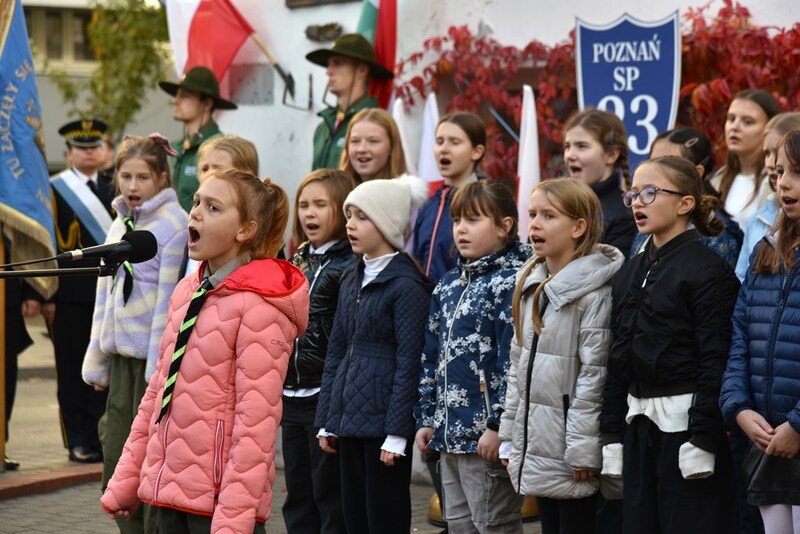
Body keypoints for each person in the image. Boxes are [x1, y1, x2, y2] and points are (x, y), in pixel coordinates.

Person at [100, 169, 308, 533]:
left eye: (213, 208)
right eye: (195, 202)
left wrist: (233, 519)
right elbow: (156, 396)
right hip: (169, 490)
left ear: (245, 230)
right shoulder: (187, 292)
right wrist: (127, 479)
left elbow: (256, 425)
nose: (194, 212)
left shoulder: (261, 307)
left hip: (218, 504)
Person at [600, 156, 741, 533]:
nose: (638, 202)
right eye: (633, 194)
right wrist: (612, 433)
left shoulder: (708, 271)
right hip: (637, 430)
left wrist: (704, 436)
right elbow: (617, 355)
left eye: (650, 192)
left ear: (685, 203)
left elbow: (716, 358)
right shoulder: (630, 271)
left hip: (685, 431)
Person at [499, 178, 624, 534]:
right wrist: (509, 431)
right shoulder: (532, 285)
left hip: (570, 447)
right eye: (532, 214)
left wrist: (584, 449)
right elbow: (517, 367)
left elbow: (594, 375)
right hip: (538, 438)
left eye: (549, 215)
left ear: (578, 227)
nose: (535, 224)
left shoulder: (594, 294)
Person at [81, 134, 188, 534]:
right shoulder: (120, 222)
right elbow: (104, 296)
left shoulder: (173, 226)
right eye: (125, 176)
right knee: (115, 451)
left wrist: (158, 368)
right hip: (121, 358)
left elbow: (167, 302)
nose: (132, 186)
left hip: (149, 363)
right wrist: (97, 359)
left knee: (144, 457)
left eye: (143, 177)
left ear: (162, 177)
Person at [315, 176, 432, 533]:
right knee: (354, 517)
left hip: (383, 428)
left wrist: (398, 433)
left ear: (387, 224)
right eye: (348, 215)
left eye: (362, 217)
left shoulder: (406, 286)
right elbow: (336, 351)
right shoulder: (351, 278)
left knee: (384, 517)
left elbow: (409, 362)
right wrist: (327, 418)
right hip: (348, 422)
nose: (350, 224)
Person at [415, 180, 530, 533]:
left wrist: (498, 426)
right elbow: (431, 356)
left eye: (474, 220)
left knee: (492, 524)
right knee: (459, 524)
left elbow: (514, 362)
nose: (461, 229)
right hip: (449, 435)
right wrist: (427, 417)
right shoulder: (448, 283)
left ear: (504, 226)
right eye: (457, 220)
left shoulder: (513, 281)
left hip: (486, 439)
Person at [721, 130, 800, 534]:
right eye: (781, 172)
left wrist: (798, 425)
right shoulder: (765, 250)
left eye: (797, 173)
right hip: (765, 440)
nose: (783, 182)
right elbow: (740, 337)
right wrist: (738, 406)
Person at [281, 169, 356, 534]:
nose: (309, 213)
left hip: (323, 395)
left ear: (342, 210)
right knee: (297, 491)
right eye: (304, 205)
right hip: (290, 393)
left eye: (321, 205)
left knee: (328, 492)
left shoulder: (349, 265)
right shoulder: (295, 260)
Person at [50, 118, 116, 464]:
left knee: (103, 372)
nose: (89, 152)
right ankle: (77, 439)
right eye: (81, 147)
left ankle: (101, 436)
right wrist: (43, 294)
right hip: (69, 296)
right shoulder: (53, 190)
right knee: (72, 368)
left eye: (94, 146)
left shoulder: (116, 185)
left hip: (108, 293)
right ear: (68, 152)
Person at [632, 127, 744, 268]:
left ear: (697, 172)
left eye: (669, 162)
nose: (655, 169)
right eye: (653, 161)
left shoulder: (719, 235)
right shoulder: (647, 225)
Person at [414, 112, 487, 280]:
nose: (444, 149)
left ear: (477, 152)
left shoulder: (485, 204)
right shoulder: (428, 204)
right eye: (439, 142)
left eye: (455, 142)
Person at [306, 33, 393, 170]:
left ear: (362, 70)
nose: (328, 71)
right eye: (329, 64)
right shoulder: (323, 127)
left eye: (338, 63)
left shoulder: (376, 124)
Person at [158, 66, 238, 212]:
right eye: (177, 95)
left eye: (185, 95)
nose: (175, 100)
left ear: (206, 104)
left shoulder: (221, 149)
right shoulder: (174, 147)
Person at [735, 112, 800, 281]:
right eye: (766, 154)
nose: (770, 163)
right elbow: (742, 279)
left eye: (777, 152)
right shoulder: (758, 216)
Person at [563, 108, 635, 257]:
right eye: (567, 146)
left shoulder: (624, 214)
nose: (570, 155)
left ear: (611, 154)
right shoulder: (559, 204)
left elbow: (610, 271)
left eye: (581, 146)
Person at [711, 89, 781, 230]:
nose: (735, 127)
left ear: (769, 129)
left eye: (747, 122)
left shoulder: (779, 181)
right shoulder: (716, 181)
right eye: (731, 119)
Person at [339, 108, 408, 183]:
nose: (362, 149)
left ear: (391, 147)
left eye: (373, 141)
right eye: (355, 141)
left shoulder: (404, 193)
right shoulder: (337, 192)